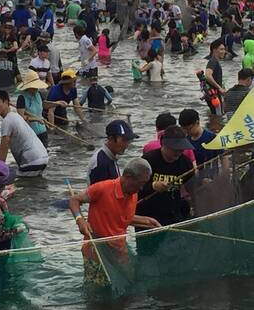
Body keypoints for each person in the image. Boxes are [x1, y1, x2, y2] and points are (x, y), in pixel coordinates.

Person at [69, 158, 160, 286]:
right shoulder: (102, 188)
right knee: (99, 293)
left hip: (120, 252)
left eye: (143, 184)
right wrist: (80, 221)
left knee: (129, 286)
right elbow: (74, 200)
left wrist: (145, 221)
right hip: (97, 253)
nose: (141, 188)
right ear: (128, 177)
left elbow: (120, 217)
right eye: (139, 184)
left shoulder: (133, 194)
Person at [138, 125, 194, 226]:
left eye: (182, 149)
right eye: (175, 149)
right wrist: (153, 186)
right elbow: (135, 188)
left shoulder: (185, 163)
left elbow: (192, 186)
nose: (179, 153)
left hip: (173, 214)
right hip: (148, 216)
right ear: (163, 144)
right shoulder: (148, 161)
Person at [0, 90, 48, 177]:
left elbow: (3, 147)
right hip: (43, 158)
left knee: (10, 181)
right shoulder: (16, 116)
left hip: (32, 161)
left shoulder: (7, 121)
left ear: (6, 102)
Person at [87, 119, 139, 184]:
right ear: (111, 139)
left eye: (128, 140)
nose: (126, 145)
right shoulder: (101, 163)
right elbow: (99, 192)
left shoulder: (110, 157)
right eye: (124, 140)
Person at [179, 109, 223, 180]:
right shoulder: (186, 140)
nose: (187, 132)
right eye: (184, 129)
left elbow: (223, 157)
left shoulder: (211, 137)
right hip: (192, 179)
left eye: (189, 129)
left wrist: (225, 176)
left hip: (210, 178)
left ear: (197, 122)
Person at [16, 70, 49, 148]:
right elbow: (21, 118)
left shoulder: (39, 94)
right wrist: (36, 119)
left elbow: (44, 105)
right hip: (30, 133)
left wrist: (57, 103)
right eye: (33, 87)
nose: (36, 88)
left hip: (43, 131)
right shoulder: (22, 98)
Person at [205, 39, 226, 113]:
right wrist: (219, 88)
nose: (224, 51)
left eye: (224, 49)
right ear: (214, 50)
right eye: (221, 49)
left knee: (215, 115)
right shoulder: (213, 61)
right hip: (214, 95)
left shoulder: (215, 61)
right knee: (218, 116)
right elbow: (207, 75)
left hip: (214, 94)